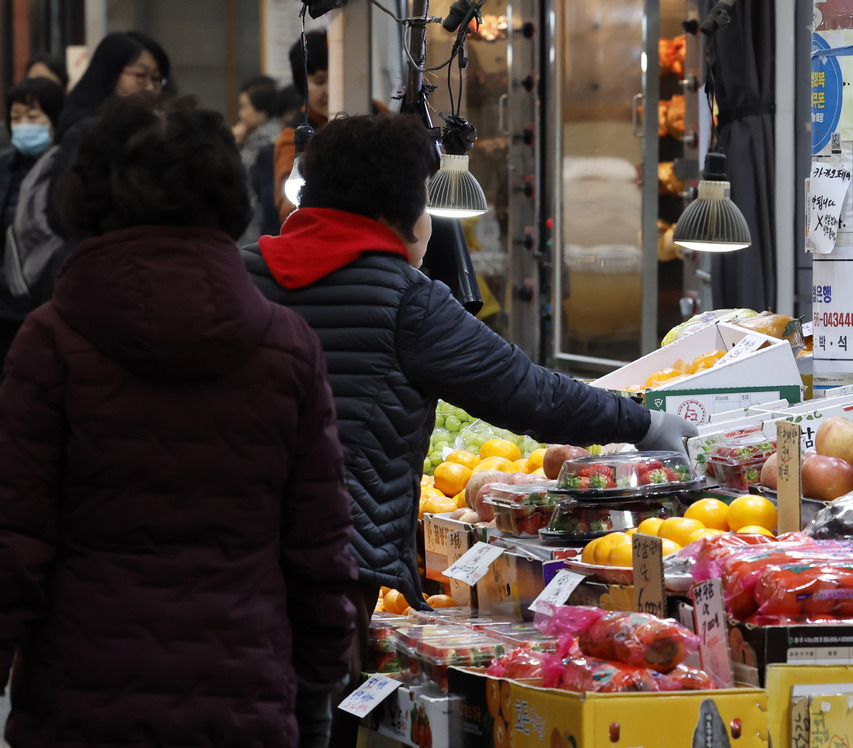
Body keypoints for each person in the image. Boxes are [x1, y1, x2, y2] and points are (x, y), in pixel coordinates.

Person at [242, 113, 696, 748]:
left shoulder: (239, 276)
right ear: (404, 211)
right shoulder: (406, 300)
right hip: (333, 566)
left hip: (220, 553)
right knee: (311, 719)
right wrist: (647, 422)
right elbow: (528, 393)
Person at [0, 94, 357, 747]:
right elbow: (319, 543)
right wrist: (325, 666)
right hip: (242, 694)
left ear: (91, 195)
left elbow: (14, 541)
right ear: (225, 194)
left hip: (79, 701)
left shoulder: (49, 342)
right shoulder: (287, 347)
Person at [4, 31, 170, 309]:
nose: (150, 88)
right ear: (109, 72)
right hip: (93, 280)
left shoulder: (161, 133)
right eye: (140, 77)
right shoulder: (87, 133)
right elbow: (67, 214)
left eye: (157, 79)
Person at [0, 77, 64, 366]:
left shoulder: (63, 168)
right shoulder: (4, 165)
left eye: (32, 116)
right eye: (16, 117)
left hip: (42, 297)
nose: (23, 124)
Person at [273, 29, 329, 224]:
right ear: (302, 84)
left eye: (338, 78)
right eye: (319, 81)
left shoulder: (375, 111)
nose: (329, 90)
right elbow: (289, 211)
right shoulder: (292, 137)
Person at [234, 75, 283, 242]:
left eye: (245, 106)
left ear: (263, 112)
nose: (241, 113)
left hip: (258, 229)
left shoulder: (268, 144)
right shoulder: (251, 138)